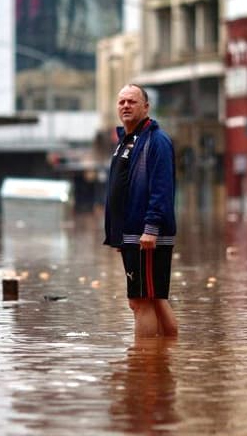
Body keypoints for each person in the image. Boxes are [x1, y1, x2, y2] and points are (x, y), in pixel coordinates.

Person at [104, 84, 178, 338]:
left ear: (146, 107)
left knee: (142, 301)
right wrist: (117, 234)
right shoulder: (126, 141)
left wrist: (151, 228)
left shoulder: (156, 141)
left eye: (132, 102)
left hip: (145, 235)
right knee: (152, 298)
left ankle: (145, 365)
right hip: (131, 234)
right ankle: (162, 357)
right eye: (121, 101)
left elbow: (161, 188)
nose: (125, 106)